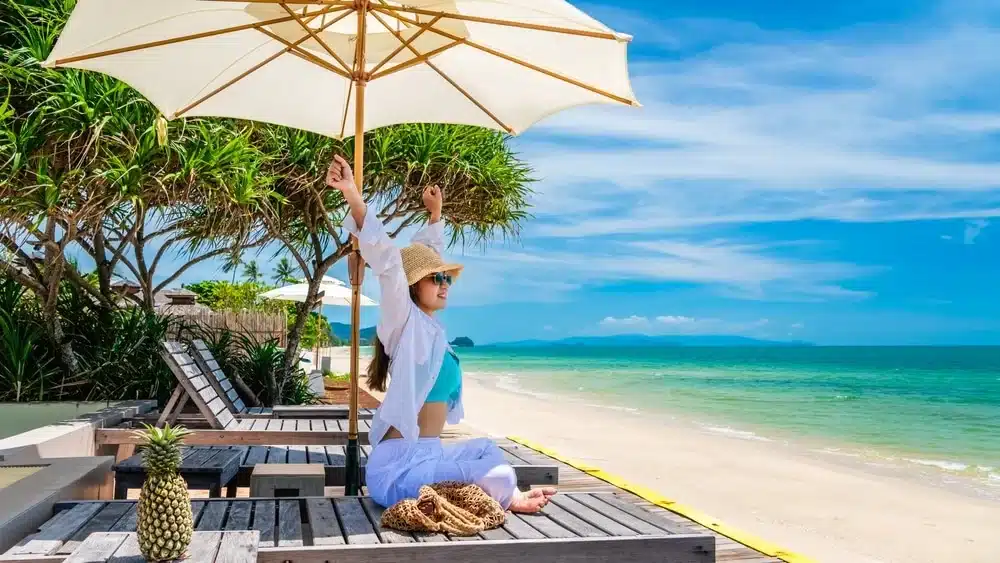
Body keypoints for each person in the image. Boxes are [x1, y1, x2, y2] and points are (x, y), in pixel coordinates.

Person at [327, 154, 556, 513]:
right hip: (399, 467)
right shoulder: (403, 323)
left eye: (447, 278)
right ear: (415, 286)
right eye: (437, 279)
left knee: (488, 449)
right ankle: (510, 497)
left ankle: (506, 494)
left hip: (428, 455)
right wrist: (353, 196)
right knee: (502, 477)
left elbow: (424, 257)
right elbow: (390, 263)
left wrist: (435, 217)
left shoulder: (432, 330)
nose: (445, 283)